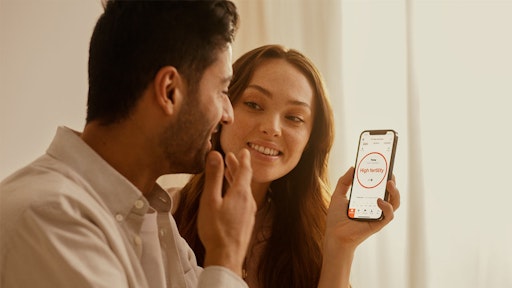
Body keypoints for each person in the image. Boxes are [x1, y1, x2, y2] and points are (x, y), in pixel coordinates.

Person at [0, 1, 257, 287]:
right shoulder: (49, 217)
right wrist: (227, 254)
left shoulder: (152, 218)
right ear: (169, 91)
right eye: (222, 90)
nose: (228, 115)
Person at [172, 45, 401, 288]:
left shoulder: (313, 236)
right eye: (254, 104)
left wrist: (341, 247)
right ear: (224, 109)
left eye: (294, 118)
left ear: (310, 141)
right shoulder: (166, 217)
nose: (272, 128)